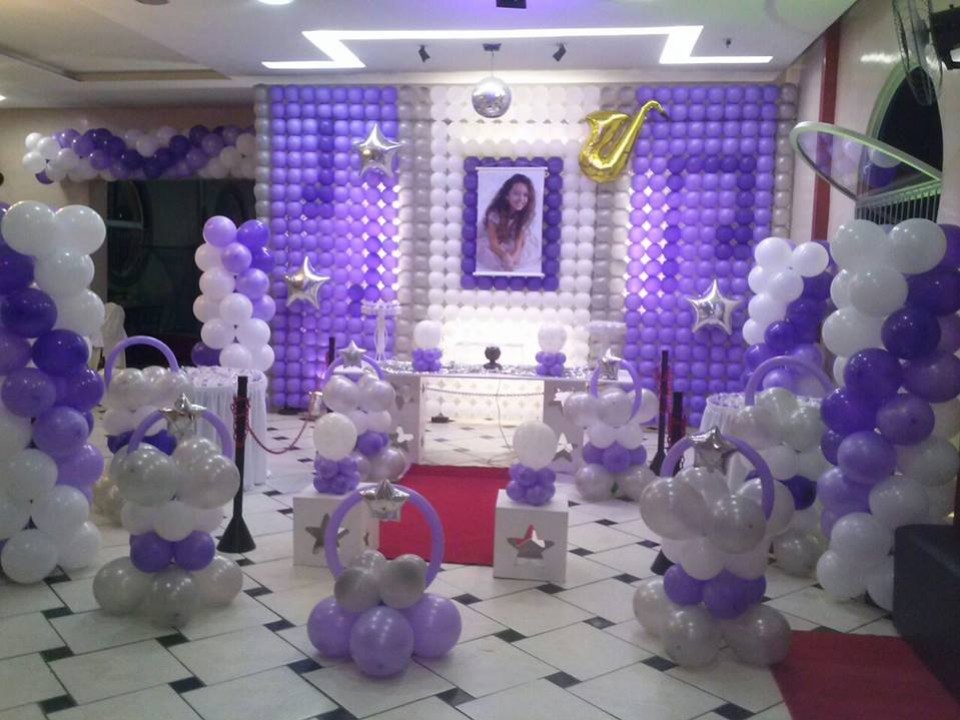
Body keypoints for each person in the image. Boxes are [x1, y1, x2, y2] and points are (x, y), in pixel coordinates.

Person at [477, 173, 538, 274]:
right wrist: (504, 256)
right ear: (506, 196)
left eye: (525, 195)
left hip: (510, 238)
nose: (521, 199)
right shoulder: (495, 214)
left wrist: (512, 259)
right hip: (494, 239)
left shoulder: (523, 215)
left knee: (519, 253)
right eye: (516, 194)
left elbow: (518, 244)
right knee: (496, 258)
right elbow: (493, 243)